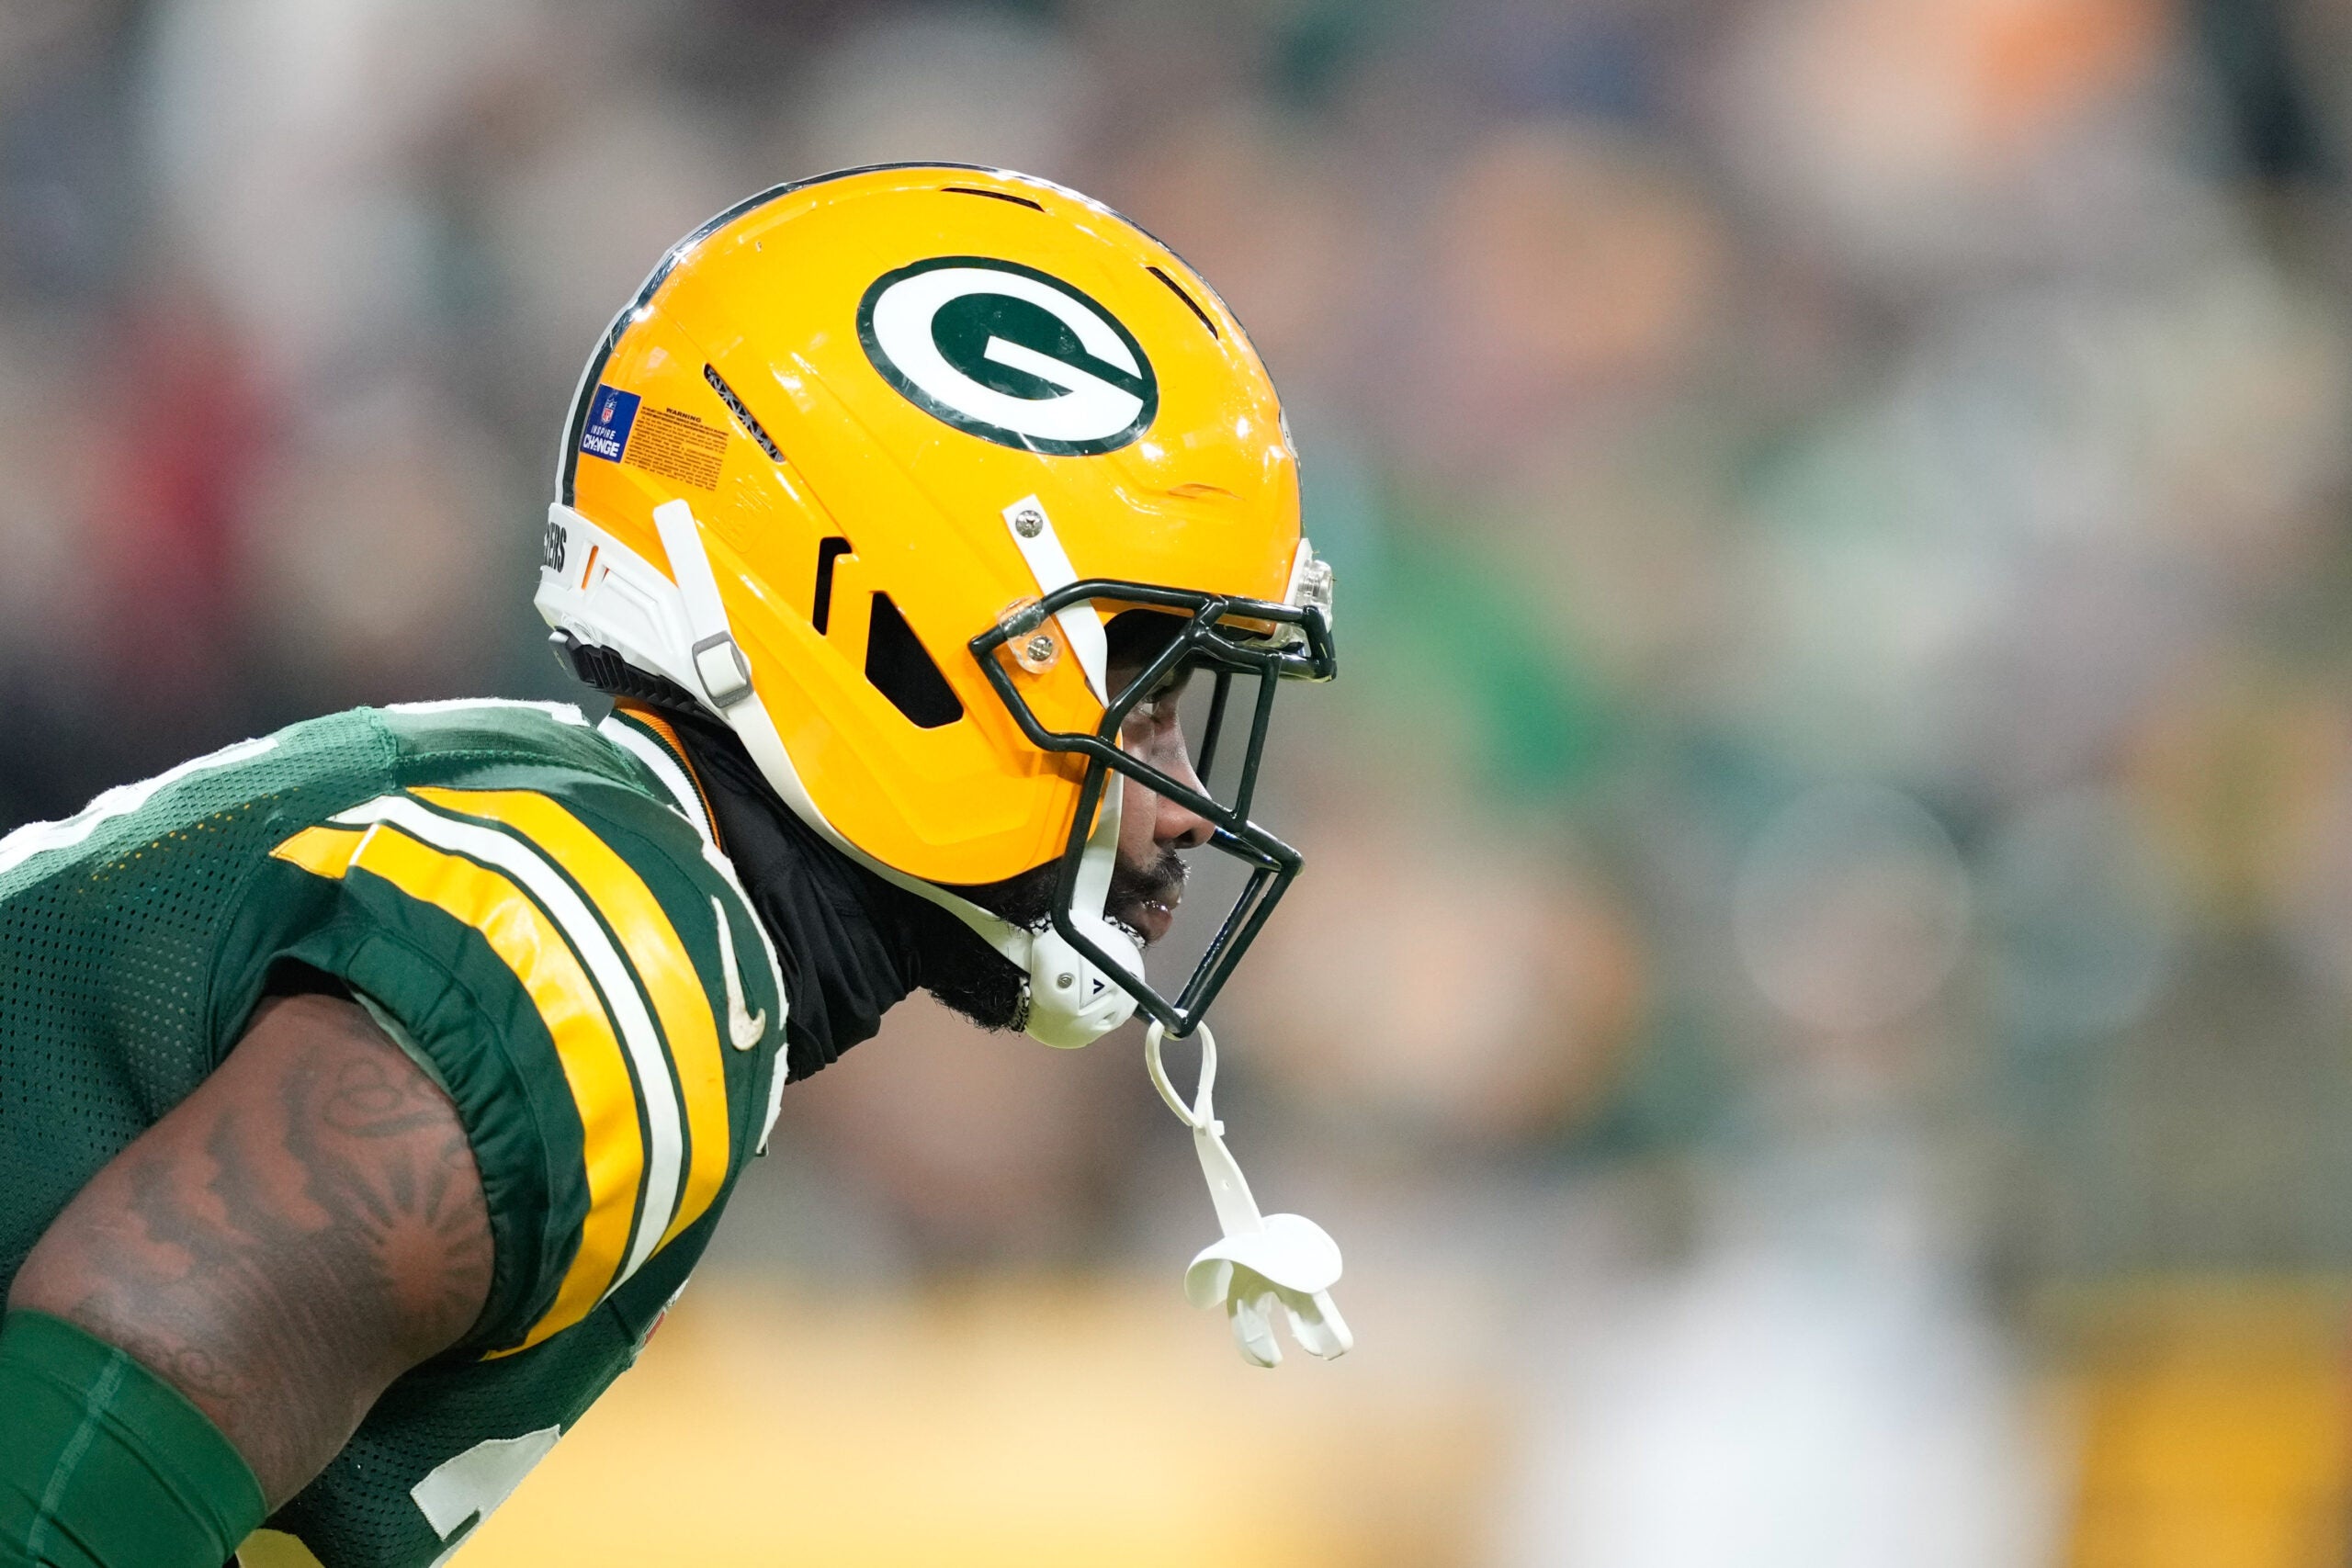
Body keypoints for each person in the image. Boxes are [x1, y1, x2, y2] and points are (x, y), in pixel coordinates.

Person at [0, 164, 1338, 1568]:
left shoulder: (602, 858)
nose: (1181, 803)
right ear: (888, 621)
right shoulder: (607, 952)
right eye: (1145, 696)